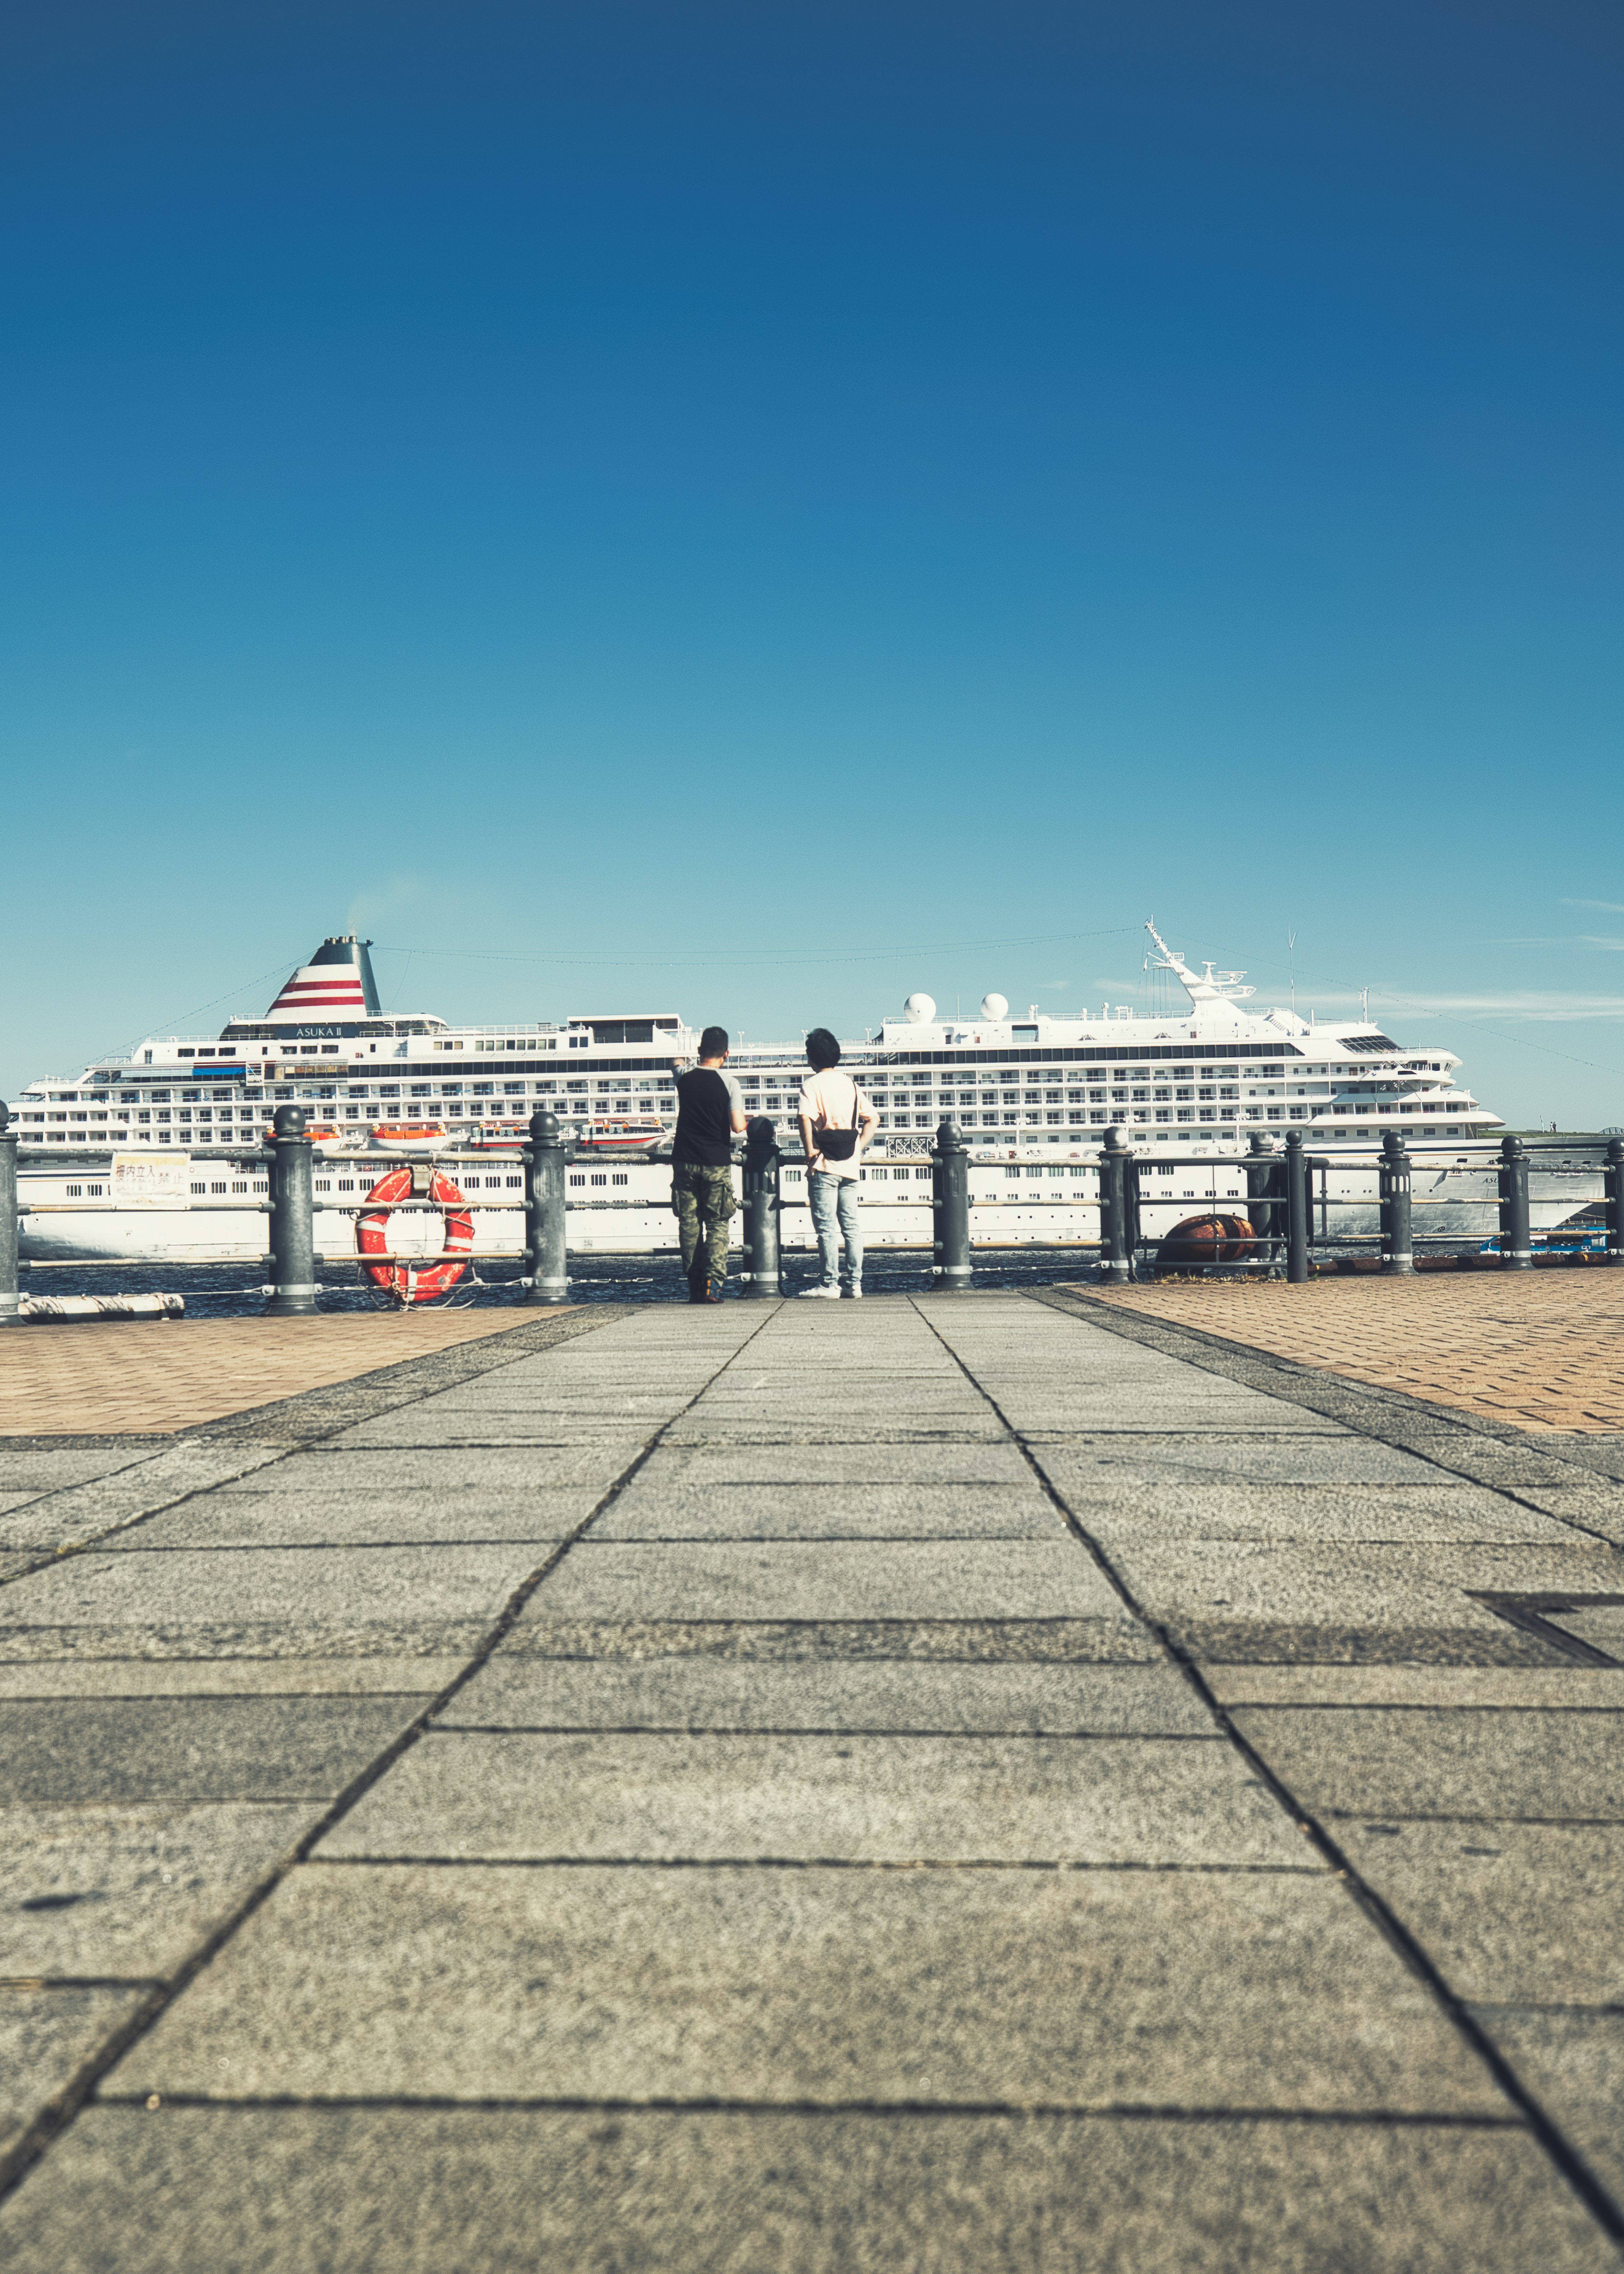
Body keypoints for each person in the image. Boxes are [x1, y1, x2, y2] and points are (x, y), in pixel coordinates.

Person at [798, 1027, 878, 1298]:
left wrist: (810, 1149)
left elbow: (805, 1118)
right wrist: (859, 1146)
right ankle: (854, 1284)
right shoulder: (851, 1084)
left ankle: (829, 1285)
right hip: (850, 1165)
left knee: (827, 1230)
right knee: (851, 1227)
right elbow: (873, 1119)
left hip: (825, 1165)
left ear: (812, 1058)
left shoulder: (812, 1085)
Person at [670, 1025, 747, 1303]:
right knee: (717, 1225)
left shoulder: (684, 1077)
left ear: (701, 1050)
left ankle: (693, 1287)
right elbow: (738, 1126)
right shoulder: (730, 1084)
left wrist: (690, 1059)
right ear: (726, 1054)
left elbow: (676, 1064)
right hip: (715, 1162)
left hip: (684, 1160)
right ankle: (712, 1288)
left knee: (689, 1225)